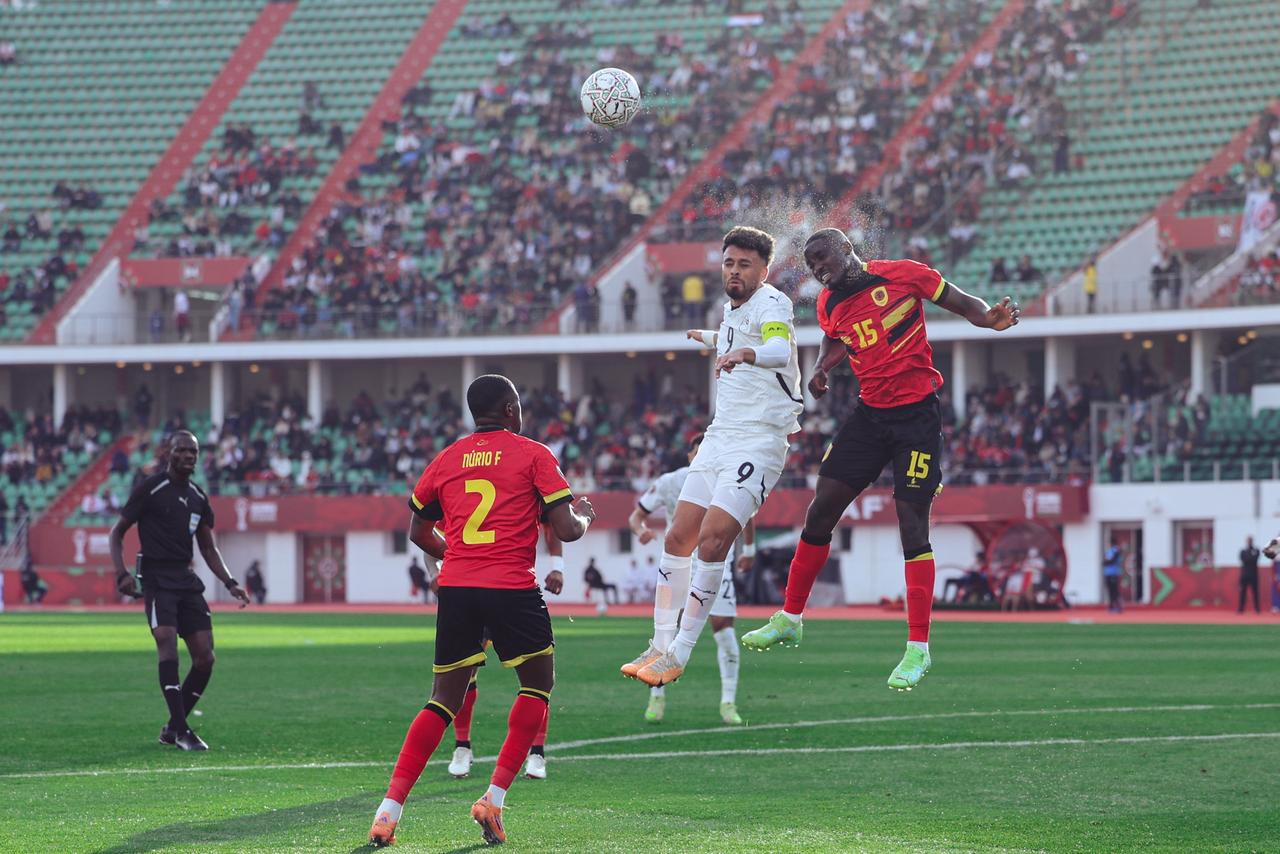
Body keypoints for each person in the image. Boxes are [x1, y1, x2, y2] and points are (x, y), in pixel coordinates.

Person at [740, 227, 1019, 691]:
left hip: (917, 418)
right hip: (870, 415)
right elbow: (835, 337)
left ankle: (917, 648)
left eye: (824, 259)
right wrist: (822, 366)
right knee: (821, 508)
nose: (818, 270)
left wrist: (988, 318)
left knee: (912, 525)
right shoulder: (829, 303)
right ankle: (790, 617)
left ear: (848, 251)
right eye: (812, 265)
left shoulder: (904, 275)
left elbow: (959, 301)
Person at [368, 374, 596, 848]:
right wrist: (586, 517)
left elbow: (418, 531)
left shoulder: (447, 458)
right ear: (511, 409)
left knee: (442, 700)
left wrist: (456, 556)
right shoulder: (534, 454)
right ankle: (493, 800)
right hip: (511, 587)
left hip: (457, 589)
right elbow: (566, 529)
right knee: (537, 685)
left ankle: (388, 812)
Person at [620, 226, 802, 690]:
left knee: (713, 539)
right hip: (719, 437)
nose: (734, 271)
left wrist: (746, 353)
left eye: (745, 265)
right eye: (729, 263)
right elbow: (732, 335)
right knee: (677, 536)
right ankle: (659, 644)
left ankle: (679, 653)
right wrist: (710, 338)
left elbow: (777, 348)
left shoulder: (774, 304)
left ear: (764, 271)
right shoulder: (732, 310)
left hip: (759, 440)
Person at [110, 431, 251, 751]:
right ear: (168, 453)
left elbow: (208, 548)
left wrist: (230, 582)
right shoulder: (151, 488)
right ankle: (183, 731)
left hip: (185, 580)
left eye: (194, 451)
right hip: (157, 579)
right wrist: (121, 573)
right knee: (167, 643)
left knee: (205, 658)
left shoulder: (198, 497)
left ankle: (172, 728)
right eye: (182, 450)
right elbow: (116, 533)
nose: (189, 456)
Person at [627, 433, 751, 725]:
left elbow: (749, 515)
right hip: (680, 566)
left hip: (717, 565)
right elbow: (636, 516)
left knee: (725, 634)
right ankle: (656, 697)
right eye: (699, 451)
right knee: (667, 632)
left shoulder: (729, 476)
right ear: (690, 455)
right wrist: (641, 531)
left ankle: (728, 703)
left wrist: (750, 549)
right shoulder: (671, 481)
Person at [447, 525, 565, 782]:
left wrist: (557, 566)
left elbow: (554, 520)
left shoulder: (524, 495)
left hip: (515, 594)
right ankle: (462, 746)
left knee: (536, 679)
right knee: (464, 673)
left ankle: (537, 752)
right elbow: (429, 527)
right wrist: (438, 569)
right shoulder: (462, 496)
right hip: (472, 593)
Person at [1238, 536, 1261, 614]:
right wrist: (1250, 557)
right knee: (1242, 593)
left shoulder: (1256, 550)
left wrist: (1249, 558)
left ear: (1252, 541)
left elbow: (1255, 559)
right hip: (1244, 575)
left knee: (1255, 592)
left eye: (1250, 540)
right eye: (1248, 540)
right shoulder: (1243, 551)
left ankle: (1257, 609)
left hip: (1254, 575)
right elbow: (1244, 560)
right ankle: (1241, 609)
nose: (1249, 542)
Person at [1103, 538, 1124, 613]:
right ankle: (1111, 606)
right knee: (1110, 591)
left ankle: (1118, 606)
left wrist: (1107, 562)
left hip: (1114, 573)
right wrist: (1106, 562)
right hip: (1107, 573)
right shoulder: (1108, 551)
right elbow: (1104, 561)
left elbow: (1112, 560)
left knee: (1115, 591)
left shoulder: (1116, 550)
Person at [1266, 535, 1280, 614]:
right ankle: (1276, 606)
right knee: (1276, 588)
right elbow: (1274, 564)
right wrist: (1274, 574)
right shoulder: (1275, 548)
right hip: (1277, 569)